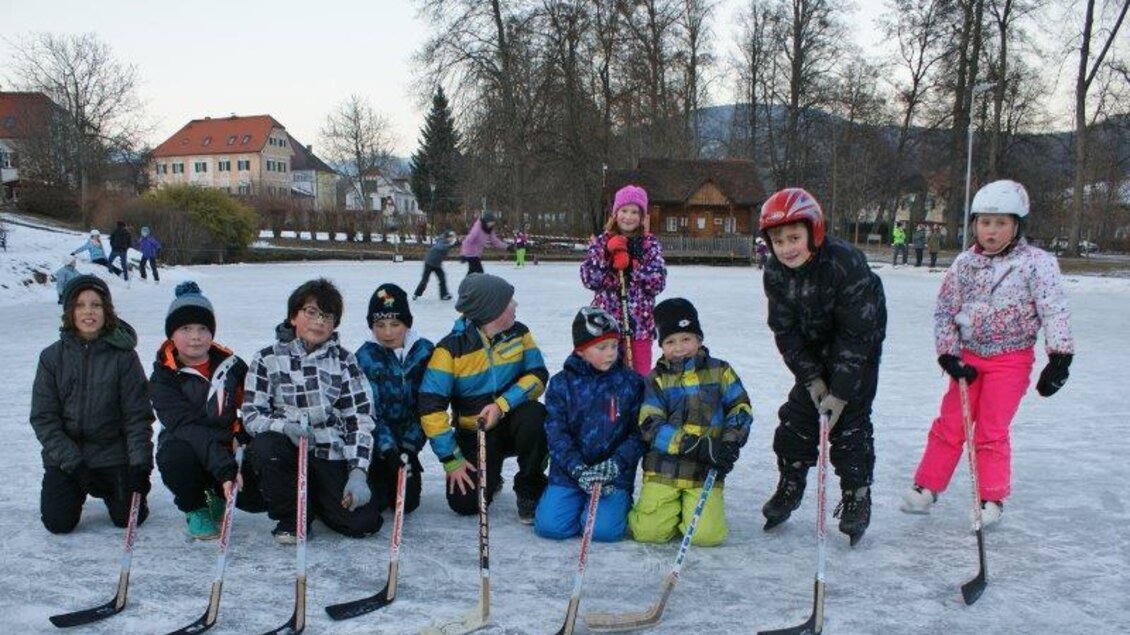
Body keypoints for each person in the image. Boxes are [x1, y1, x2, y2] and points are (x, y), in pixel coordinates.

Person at [900, 180, 1074, 527]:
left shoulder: (1036, 263)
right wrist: (948, 355)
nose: (991, 231)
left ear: (1017, 225)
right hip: (969, 357)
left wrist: (1059, 358)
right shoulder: (965, 263)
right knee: (951, 423)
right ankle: (928, 485)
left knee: (991, 430)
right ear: (974, 224)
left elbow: (1053, 310)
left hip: (1011, 359)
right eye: (984, 222)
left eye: (1001, 223)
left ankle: (990, 496)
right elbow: (946, 311)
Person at [759, 188, 887, 546]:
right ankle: (791, 482)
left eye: (794, 238)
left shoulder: (845, 263)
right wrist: (812, 378)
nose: (787, 248)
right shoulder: (775, 272)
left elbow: (856, 335)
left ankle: (857, 495)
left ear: (813, 232)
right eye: (778, 241)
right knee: (796, 419)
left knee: (849, 426)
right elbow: (784, 331)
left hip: (859, 347)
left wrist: (841, 392)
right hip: (813, 348)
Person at [242, 278, 383, 543]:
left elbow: (359, 418)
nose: (319, 321)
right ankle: (292, 517)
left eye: (327, 316)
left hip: (329, 452)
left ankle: (318, 502)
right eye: (311, 312)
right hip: (287, 450)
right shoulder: (267, 359)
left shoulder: (344, 361)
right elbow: (252, 415)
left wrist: (358, 471)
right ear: (293, 316)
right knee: (266, 446)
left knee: (363, 523)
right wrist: (284, 427)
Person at [418, 273, 549, 523]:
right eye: (509, 301)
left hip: (513, 422)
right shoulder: (450, 350)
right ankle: (491, 474)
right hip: (475, 434)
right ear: (493, 310)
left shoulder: (520, 333)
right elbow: (430, 407)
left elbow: (538, 375)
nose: (515, 305)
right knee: (465, 502)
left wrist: (501, 405)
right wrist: (451, 459)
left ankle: (530, 488)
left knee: (536, 415)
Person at [30, 275, 154, 533]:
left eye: (96, 304)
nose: (88, 311)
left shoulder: (124, 357)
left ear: (106, 310)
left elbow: (137, 416)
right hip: (67, 458)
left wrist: (141, 466)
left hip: (111, 453)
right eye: (80, 305)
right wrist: (75, 466)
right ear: (69, 312)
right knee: (58, 523)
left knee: (129, 519)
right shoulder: (51, 357)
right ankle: (74, 488)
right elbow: (44, 418)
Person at [627, 298, 752, 547]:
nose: (679, 348)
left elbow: (740, 408)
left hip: (705, 470)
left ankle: (694, 510)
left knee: (706, 536)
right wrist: (692, 445)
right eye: (670, 342)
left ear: (699, 339)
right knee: (648, 533)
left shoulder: (721, 371)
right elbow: (650, 424)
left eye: (686, 339)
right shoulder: (655, 379)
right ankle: (666, 511)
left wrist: (729, 443)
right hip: (664, 468)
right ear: (661, 345)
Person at [151, 282, 266, 540]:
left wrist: (243, 433)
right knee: (175, 456)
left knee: (257, 497)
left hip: (225, 446)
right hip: (187, 446)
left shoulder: (232, 366)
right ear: (171, 334)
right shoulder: (164, 377)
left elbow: (254, 407)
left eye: (203, 328)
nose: (195, 336)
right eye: (186, 329)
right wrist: (225, 469)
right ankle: (195, 506)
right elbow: (187, 428)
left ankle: (216, 493)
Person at [534, 307, 646, 542]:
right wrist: (578, 469)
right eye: (601, 347)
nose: (611, 353)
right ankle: (570, 500)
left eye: (614, 346)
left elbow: (639, 433)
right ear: (581, 350)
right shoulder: (561, 384)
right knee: (550, 527)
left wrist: (616, 465)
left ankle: (616, 504)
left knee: (602, 531)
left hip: (613, 475)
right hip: (570, 472)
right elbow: (556, 434)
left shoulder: (631, 382)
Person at [355, 283, 435, 515]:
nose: (388, 333)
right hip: (378, 444)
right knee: (376, 503)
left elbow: (429, 405)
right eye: (380, 325)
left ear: (407, 324)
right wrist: (388, 449)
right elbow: (369, 410)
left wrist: (410, 446)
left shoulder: (425, 352)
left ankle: (407, 464)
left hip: (409, 442)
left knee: (407, 504)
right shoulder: (365, 357)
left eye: (395, 324)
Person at [580, 184, 667, 376]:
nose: (628, 216)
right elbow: (589, 279)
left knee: (639, 377)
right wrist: (606, 257)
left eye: (635, 212)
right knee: (605, 377)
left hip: (640, 326)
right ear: (615, 213)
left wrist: (633, 268)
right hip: (606, 326)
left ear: (642, 216)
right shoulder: (602, 242)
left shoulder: (649, 244)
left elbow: (658, 281)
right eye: (624, 210)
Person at [413, 229, 457, 301]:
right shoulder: (441, 241)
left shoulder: (446, 243)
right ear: (447, 237)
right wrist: (452, 245)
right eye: (451, 237)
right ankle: (416, 294)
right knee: (425, 280)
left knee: (442, 279)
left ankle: (444, 295)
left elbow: (449, 246)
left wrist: (458, 243)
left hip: (437, 264)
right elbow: (441, 247)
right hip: (429, 263)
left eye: (453, 237)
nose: (452, 239)